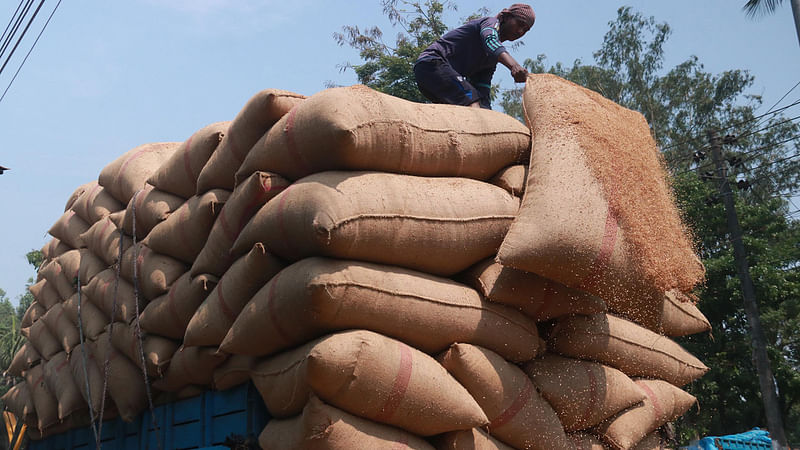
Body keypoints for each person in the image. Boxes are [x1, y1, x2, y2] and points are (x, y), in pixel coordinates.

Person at [413, 3, 535, 109]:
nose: (520, 31)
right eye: (519, 24)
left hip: (438, 78)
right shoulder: (490, 23)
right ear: (507, 17)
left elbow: (482, 89)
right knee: (472, 101)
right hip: (432, 63)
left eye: (525, 30)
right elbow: (491, 41)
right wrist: (514, 66)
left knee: (474, 104)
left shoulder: (491, 59)